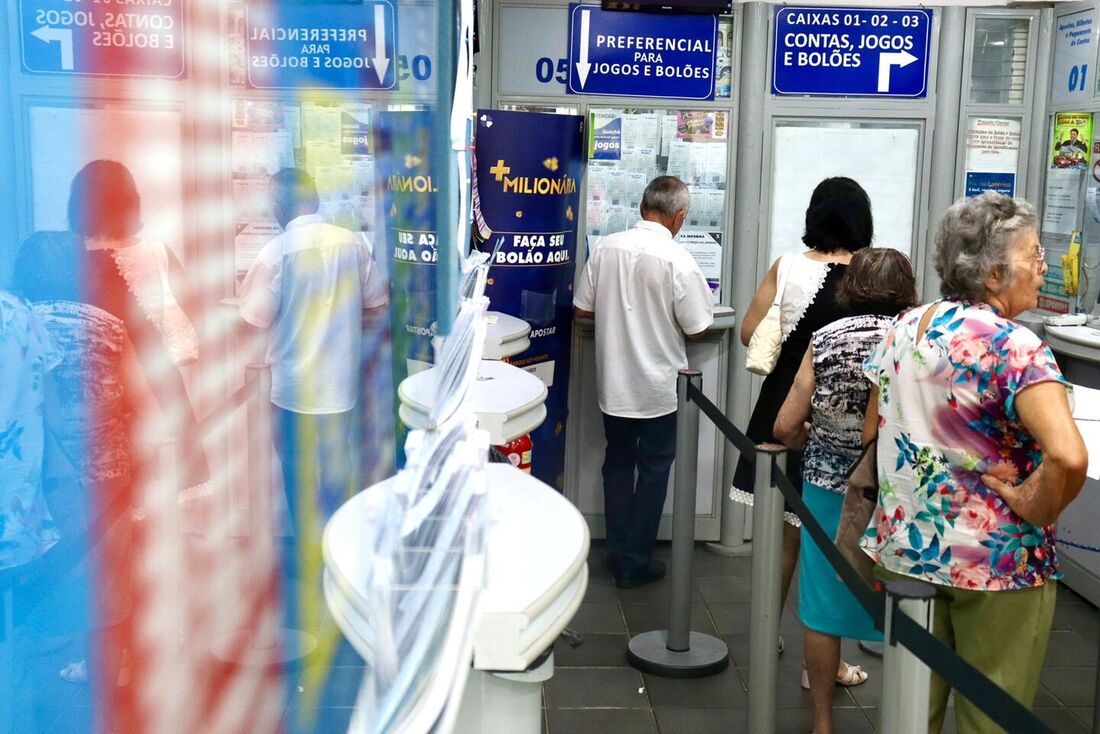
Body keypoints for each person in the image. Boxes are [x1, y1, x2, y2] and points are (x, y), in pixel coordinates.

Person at [861, 191, 1087, 733]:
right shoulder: (1017, 347)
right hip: (996, 566)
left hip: (906, 549)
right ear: (992, 274)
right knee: (990, 717)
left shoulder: (905, 327)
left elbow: (873, 429)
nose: (1043, 267)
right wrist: (1034, 503)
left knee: (911, 712)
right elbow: (1069, 455)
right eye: (1033, 255)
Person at [774, 248, 919, 734]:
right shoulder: (914, 341)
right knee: (906, 606)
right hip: (894, 497)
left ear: (850, 286)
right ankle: (902, 716)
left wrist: (806, 436)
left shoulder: (826, 338)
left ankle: (821, 722)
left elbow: (786, 423)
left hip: (825, 493)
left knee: (821, 609)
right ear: (907, 289)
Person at [239, 168, 387, 636]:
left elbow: (253, 317)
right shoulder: (353, 245)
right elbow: (377, 305)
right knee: (337, 483)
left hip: (291, 394)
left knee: (297, 486)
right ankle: (342, 568)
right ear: (316, 198)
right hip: (341, 391)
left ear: (279, 205)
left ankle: (309, 577)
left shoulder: (275, 252)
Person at [732, 176, 871, 660]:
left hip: (781, 406)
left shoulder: (786, 266)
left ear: (814, 216)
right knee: (834, 533)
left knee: (784, 532)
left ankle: (767, 630)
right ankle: (828, 654)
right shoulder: (870, 271)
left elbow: (751, 332)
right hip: (848, 416)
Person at [573, 176, 713, 589]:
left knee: (616, 465)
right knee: (653, 471)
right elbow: (699, 327)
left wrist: (619, 318)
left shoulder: (606, 247)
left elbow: (582, 310)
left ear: (642, 206)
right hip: (659, 387)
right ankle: (635, 560)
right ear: (679, 216)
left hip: (613, 383)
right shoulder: (679, 259)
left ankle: (617, 553)